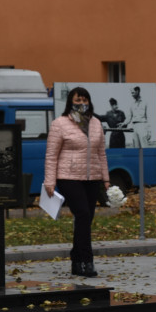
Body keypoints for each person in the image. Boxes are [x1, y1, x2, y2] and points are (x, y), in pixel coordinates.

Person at [44, 87, 109, 278]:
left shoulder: (96, 123)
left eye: (84, 100)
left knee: (86, 220)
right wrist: (50, 180)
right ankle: (87, 261)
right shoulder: (60, 124)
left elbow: (101, 153)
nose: (81, 104)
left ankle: (75, 258)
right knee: (82, 214)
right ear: (70, 103)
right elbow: (51, 155)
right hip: (68, 176)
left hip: (92, 177)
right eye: (77, 100)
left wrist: (106, 179)